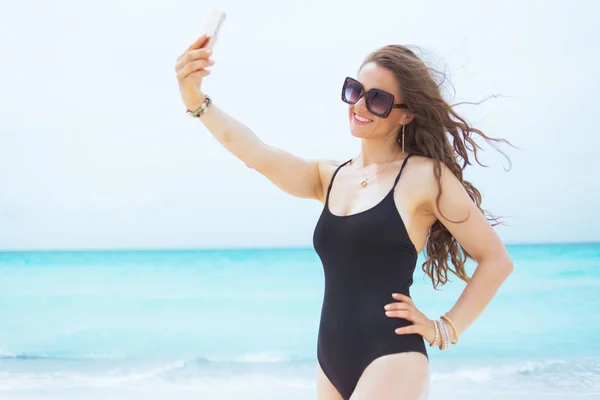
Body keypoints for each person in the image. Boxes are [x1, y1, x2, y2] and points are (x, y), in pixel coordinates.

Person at [175, 34, 514, 400]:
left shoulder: (424, 176)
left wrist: (444, 328)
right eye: (356, 90)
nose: (361, 104)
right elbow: (256, 153)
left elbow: (496, 261)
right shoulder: (330, 176)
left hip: (392, 356)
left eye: (378, 98)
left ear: (406, 114)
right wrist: (197, 100)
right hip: (330, 359)